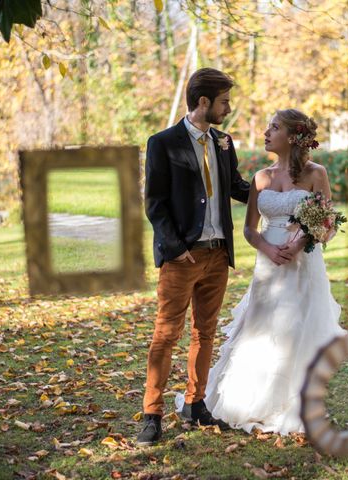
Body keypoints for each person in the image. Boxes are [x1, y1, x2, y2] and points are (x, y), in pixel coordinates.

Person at [197, 109, 345, 435]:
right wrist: (268, 248)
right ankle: (251, 400)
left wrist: (299, 243)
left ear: (293, 137)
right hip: (268, 268)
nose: (266, 132)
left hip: (302, 263)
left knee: (296, 328)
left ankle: (295, 402)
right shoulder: (261, 177)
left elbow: (326, 220)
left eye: (274, 127)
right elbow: (250, 230)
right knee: (261, 328)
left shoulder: (315, 174)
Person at [137, 68, 251, 446]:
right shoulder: (163, 143)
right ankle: (151, 413)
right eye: (224, 102)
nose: (228, 108)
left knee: (205, 332)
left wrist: (284, 193)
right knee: (166, 334)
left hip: (218, 256)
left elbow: (236, 187)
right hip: (181, 257)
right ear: (204, 102)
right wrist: (176, 248)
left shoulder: (223, 142)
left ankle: (195, 402)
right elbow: (155, 203)